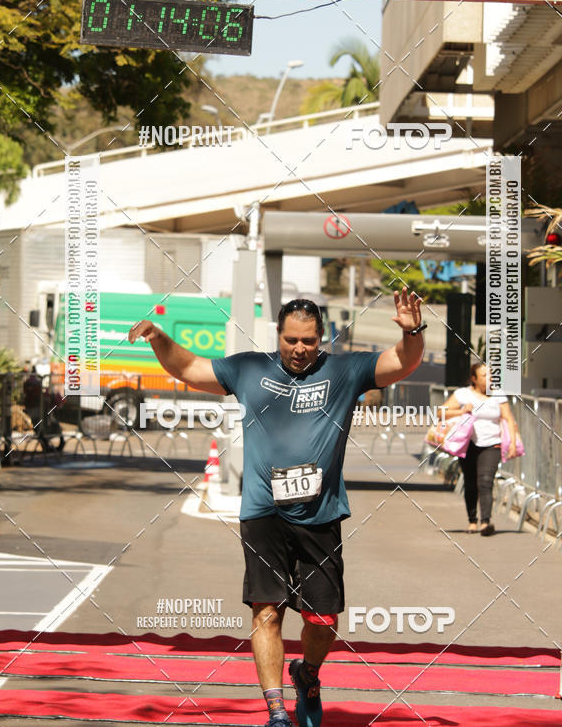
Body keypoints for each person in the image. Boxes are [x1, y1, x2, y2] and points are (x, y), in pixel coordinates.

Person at [129, 289, 425, 727]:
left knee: (322, 620)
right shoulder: (249, 368)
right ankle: (276, 711)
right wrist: (158, 336)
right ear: (278, 337)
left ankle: (307, 673)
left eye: (308, 341)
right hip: (263, 512)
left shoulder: (345, 370)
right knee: (266, 612)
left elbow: (404, 362)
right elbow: (189, 368)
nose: (299, 349)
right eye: (291, 341)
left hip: (319, 515)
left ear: (322, 337)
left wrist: (412, 330)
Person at [442, 362, 520, 536]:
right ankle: (472, 521)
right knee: (470, 483)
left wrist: (513, 443)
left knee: (485, 481)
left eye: (491, 375)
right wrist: (462, 411)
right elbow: (442, 412)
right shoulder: (462, 394)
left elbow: (508, 419)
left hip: (492, 444)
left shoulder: (498, 394)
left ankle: (485, 522)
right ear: (474, 379)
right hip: (468, 444)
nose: (489, 379)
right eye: (484, 376)